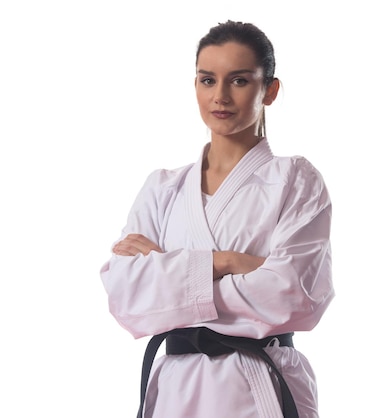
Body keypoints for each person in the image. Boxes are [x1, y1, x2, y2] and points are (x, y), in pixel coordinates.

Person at [100, 20, 334, 418]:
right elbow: (126, 301)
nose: (220, 96)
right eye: (208, 80)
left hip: (260, 384)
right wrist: (226, 263)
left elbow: (295, 298)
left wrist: (168, 275)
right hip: (175, 388)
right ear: (195, 86)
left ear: (270, 90)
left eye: (239, 81)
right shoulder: (163, 188)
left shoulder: (294, 179)